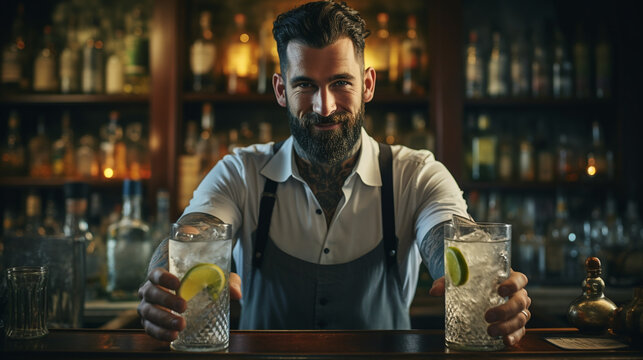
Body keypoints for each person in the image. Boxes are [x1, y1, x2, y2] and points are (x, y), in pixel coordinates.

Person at [138, 0, 531, 345]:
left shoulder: (417, 174)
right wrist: (165, 275)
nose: (324, 107)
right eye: (305, 85)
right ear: (280, 90)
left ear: (368, 84)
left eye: (341, 82)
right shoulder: (240, 172)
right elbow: (193, 232)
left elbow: (451, 239)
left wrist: (482, 281)